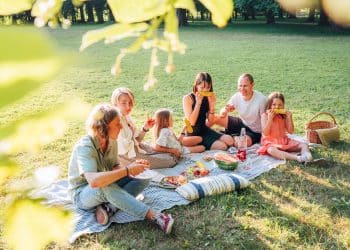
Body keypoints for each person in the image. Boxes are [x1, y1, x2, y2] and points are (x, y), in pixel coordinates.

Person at [68, 104, 174, 233]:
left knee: (144, 177)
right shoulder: (85, 146)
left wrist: (133, 168)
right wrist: (127, 171)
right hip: (82, 194)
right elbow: (94, 182)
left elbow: (114, 166)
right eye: (117, 124)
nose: (121, 127)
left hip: (106, 183)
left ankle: (110, 207)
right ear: (104, 127)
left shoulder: (111, 140)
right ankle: (156, 217)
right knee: (104, 186)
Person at [111, 87, 178, 169]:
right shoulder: (115, 121)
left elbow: (137, 140)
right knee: (171, 160)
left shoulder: (127, 117)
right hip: (128, 156)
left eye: (130, 103)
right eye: (124, 103)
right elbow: (123, 150)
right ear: (115, 104)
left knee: (168, 153)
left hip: (136, 148)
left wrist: (145, 128)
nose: (128, 107)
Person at [182, 72, 234, 150]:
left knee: (230, 141)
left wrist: (212, 105)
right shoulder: (188, 98)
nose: (205, 90)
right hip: (192, 134)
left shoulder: (208, 98)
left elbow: (211, 120)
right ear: (196, 85)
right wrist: (198, 103)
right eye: (202, 87)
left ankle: (205, 143)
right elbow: (191, 122)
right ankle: (197, 145)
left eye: (208, 87)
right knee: (223, 146)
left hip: (204, 129)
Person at [257, 92, 313, 163]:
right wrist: (270, 119)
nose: (277, 107)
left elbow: (291, 131)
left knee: (304, 145)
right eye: (274, 104)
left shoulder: (283, 116)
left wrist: (289, 118)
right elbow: (266, 132)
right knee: (271, 150)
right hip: (270, 142)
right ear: (269, 105)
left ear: (283, 105)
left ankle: (307, 157)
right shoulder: (264, 115)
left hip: (283, 140)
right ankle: (298, 158)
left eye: (280, 105)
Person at [214, 73, 267, 146]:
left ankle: (231, 137)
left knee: (241, 143)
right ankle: (203, 135)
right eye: (240, 85)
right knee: (214, 118)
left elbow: (265, 123)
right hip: (242, 124)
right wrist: (226, 110)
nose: (242, 89)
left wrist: (265, 139)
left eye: (245, 86)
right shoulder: (237, 96)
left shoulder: (261, 100)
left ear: (252, 85)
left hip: (255, 132)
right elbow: (222, 113)